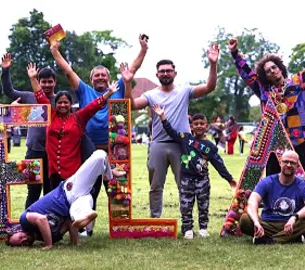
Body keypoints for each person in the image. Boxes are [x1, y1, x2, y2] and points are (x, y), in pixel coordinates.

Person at [50, 36, 148, 234]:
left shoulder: (118, 87)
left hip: (115, 151)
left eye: (104, 75)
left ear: (109, 78)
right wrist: (55, 51)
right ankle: (87, 227)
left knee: (116, 188)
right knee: (88, 189)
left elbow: (133, 69)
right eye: (97, 76)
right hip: (89, 150)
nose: (101, 78)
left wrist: (143, 50)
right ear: (90, 79)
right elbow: (68, 70)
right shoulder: (84, 91)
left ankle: (120, 225)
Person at [129, 43, 220, 218]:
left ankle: (187, 222)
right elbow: (131, 105)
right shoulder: (150, 95)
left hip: (182, 146)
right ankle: (155, 219)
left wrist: (213, 63)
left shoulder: (184, 91)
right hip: (158, 145)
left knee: (185, 184)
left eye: (168, 71)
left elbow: (210, 87)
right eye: (162, 71)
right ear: (157, 74)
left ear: (174, 73)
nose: (165, 73)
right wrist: (127, 82)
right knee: (155, 185)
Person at [27, 62, 132, 190]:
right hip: (54, 170)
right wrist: (33, 79)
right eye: (59, 103)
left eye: (66, 102)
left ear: (71, 104)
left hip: (72, 170)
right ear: (55, 104)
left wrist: (108, 94)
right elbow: (40, 97)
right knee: (54, 202)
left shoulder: (78, 117)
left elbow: (94, 105)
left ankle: (108, 174)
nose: (63, 105)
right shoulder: (50, 114)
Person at [5, 150, 126, 249]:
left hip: (69, 191)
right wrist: (75, 243)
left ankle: (108, 175)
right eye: (22, 244)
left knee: (100, 155)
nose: (24, 239)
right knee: (77, 213)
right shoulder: (54, 236)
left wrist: (48, 244)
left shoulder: (24, 220)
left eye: (20, 237)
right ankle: (85, 216)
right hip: (77, 202)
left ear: (18, 231)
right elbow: (68, 223)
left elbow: (41, 219)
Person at [153, 105, 237, 238]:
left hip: (203, 180)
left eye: (202, 123)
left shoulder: (210, 146)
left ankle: (203, 228)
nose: (199, 126)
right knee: (186, 205)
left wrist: (229, 178)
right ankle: (187, 229)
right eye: (196, 124)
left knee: (203, 205)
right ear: (191, 126)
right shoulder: (185, 138)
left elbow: (218, 164)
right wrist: (162, 117)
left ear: (206, 126)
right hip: (186, 179)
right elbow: (171, 131)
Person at [229, 38, 305, 175]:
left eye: (274, 67)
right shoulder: (263, 90)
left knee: (302, 179)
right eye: (268, 71)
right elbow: (247, 73)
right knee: (274, 177)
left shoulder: (298, 82)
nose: (272, 71)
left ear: (280, 68)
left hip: (300, 139)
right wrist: (235, 53)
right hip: (274, 142)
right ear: (266, 76)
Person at [1, 53, 56, 208]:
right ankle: (28, 226)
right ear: (38, 82)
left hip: (52, 152)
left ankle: (49, 226)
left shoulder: (60, 100)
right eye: (43, 82)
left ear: (55, 82)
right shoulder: (29, 96)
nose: (46, 85)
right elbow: (9, 91)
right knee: (33, 190)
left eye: (49, 82)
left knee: (50, 191)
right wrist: (5, 71)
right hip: (33, 150)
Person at [239, 150, 305, 244]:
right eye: (286, 161)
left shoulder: (302, 185)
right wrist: (256, 221)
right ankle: (293, 238)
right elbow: (252, 201)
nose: (289, 165)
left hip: (291, 224)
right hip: (268, 223)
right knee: (245, 220)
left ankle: (269, 240)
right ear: (280, 163)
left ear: (297, 166)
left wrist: (294, 217)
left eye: (293, 163)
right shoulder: (267, 182)